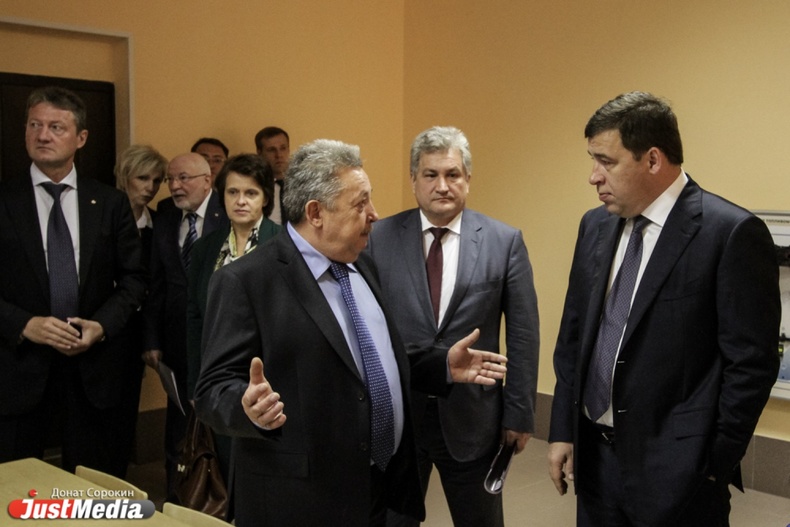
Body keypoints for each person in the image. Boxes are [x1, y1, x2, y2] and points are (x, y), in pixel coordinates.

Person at [194, 139, 510, 527]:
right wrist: (246, 408)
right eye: (360, 204)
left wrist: (441, 364)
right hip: (301, 501)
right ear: (316, 213)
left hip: (377, 488)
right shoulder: (247, 281)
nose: (374, 214)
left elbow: (371, 357)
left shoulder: (362, 265)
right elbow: (212, 389)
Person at [547, 91, 780, 527]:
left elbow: (751, 365)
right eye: (593, 160)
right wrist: (562, 430)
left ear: (652, 160)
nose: (594, 177)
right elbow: (573, 338)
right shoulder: (595, 226)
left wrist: (712, 464)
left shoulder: (729, 234)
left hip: (680, 476)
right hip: (595, 464)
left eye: (606, 161)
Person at [368, 126, 539, 527]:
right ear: (414, 179)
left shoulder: (504, 241)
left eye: (453, 174)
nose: (442, 186)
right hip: (400, 416)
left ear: (468, 179)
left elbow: (523, 334)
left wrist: (519, 414)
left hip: (472, 418)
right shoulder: (379, 238)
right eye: (430, 175)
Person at [0, 86, 146, 477]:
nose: (42, 135)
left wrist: (101, 326)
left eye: (56, 127)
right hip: (18, 369)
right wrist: (24, 324)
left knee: (92, 484)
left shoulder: (110, 203)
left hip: (93, 369)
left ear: (81, 138)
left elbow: (134, 279)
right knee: (15, 485)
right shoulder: (5, 201)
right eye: (34, 125)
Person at [186, 154, 281, 484]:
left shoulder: (283, 245)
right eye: (232, 192)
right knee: (221, 469)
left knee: (259, 473)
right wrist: (195, 383)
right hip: (217, 380)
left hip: (265, 379)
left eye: (251, 193)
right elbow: (194, 317)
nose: (241, 201)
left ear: (265, 198)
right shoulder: (206, 248)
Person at [142, 152, 228, 500]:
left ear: (207, 180)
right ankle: (177, 496)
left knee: (219, 418)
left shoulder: (229, 211)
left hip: (219, 335)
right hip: (177, 337)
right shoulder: (165, 215)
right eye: (170, 179)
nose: (175, 186)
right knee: (179, 422)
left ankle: (220, 497)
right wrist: (151, 338)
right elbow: (156, 283)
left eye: (183, 178)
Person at [114, 143, 168, 471]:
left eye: (157, 180)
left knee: (126, 409)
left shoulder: (158, 224)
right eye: (143, 178)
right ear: (125, 177)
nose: (150, 187)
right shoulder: (103, 214)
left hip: (139, 328)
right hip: (102, 325)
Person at [254, 126, 290, 224]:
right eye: (271, 150)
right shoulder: (255, 186)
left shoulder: (302, 184)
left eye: (283, 148)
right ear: (259, 152)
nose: (279, 155)